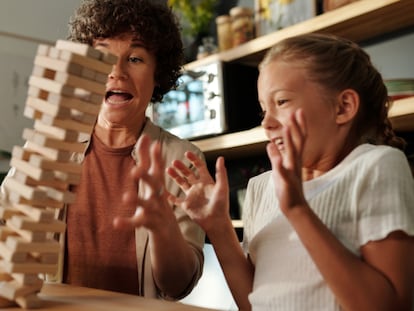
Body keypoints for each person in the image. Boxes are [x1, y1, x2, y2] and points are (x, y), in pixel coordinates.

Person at [166, 33, 414, 310]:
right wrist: (219, 228)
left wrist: (298, 209)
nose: (268, 123)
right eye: (263, 110)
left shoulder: (376, 166)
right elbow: (254, 304)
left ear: (343, 107)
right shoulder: (261, 187)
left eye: (282, 102)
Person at [1, 0, 205, 300]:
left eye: (134, 59)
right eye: (102, 56)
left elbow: (178, 286)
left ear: (158, 73)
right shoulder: (48, 145)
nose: (116, 72)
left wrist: (163, 229)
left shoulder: (182, 160)